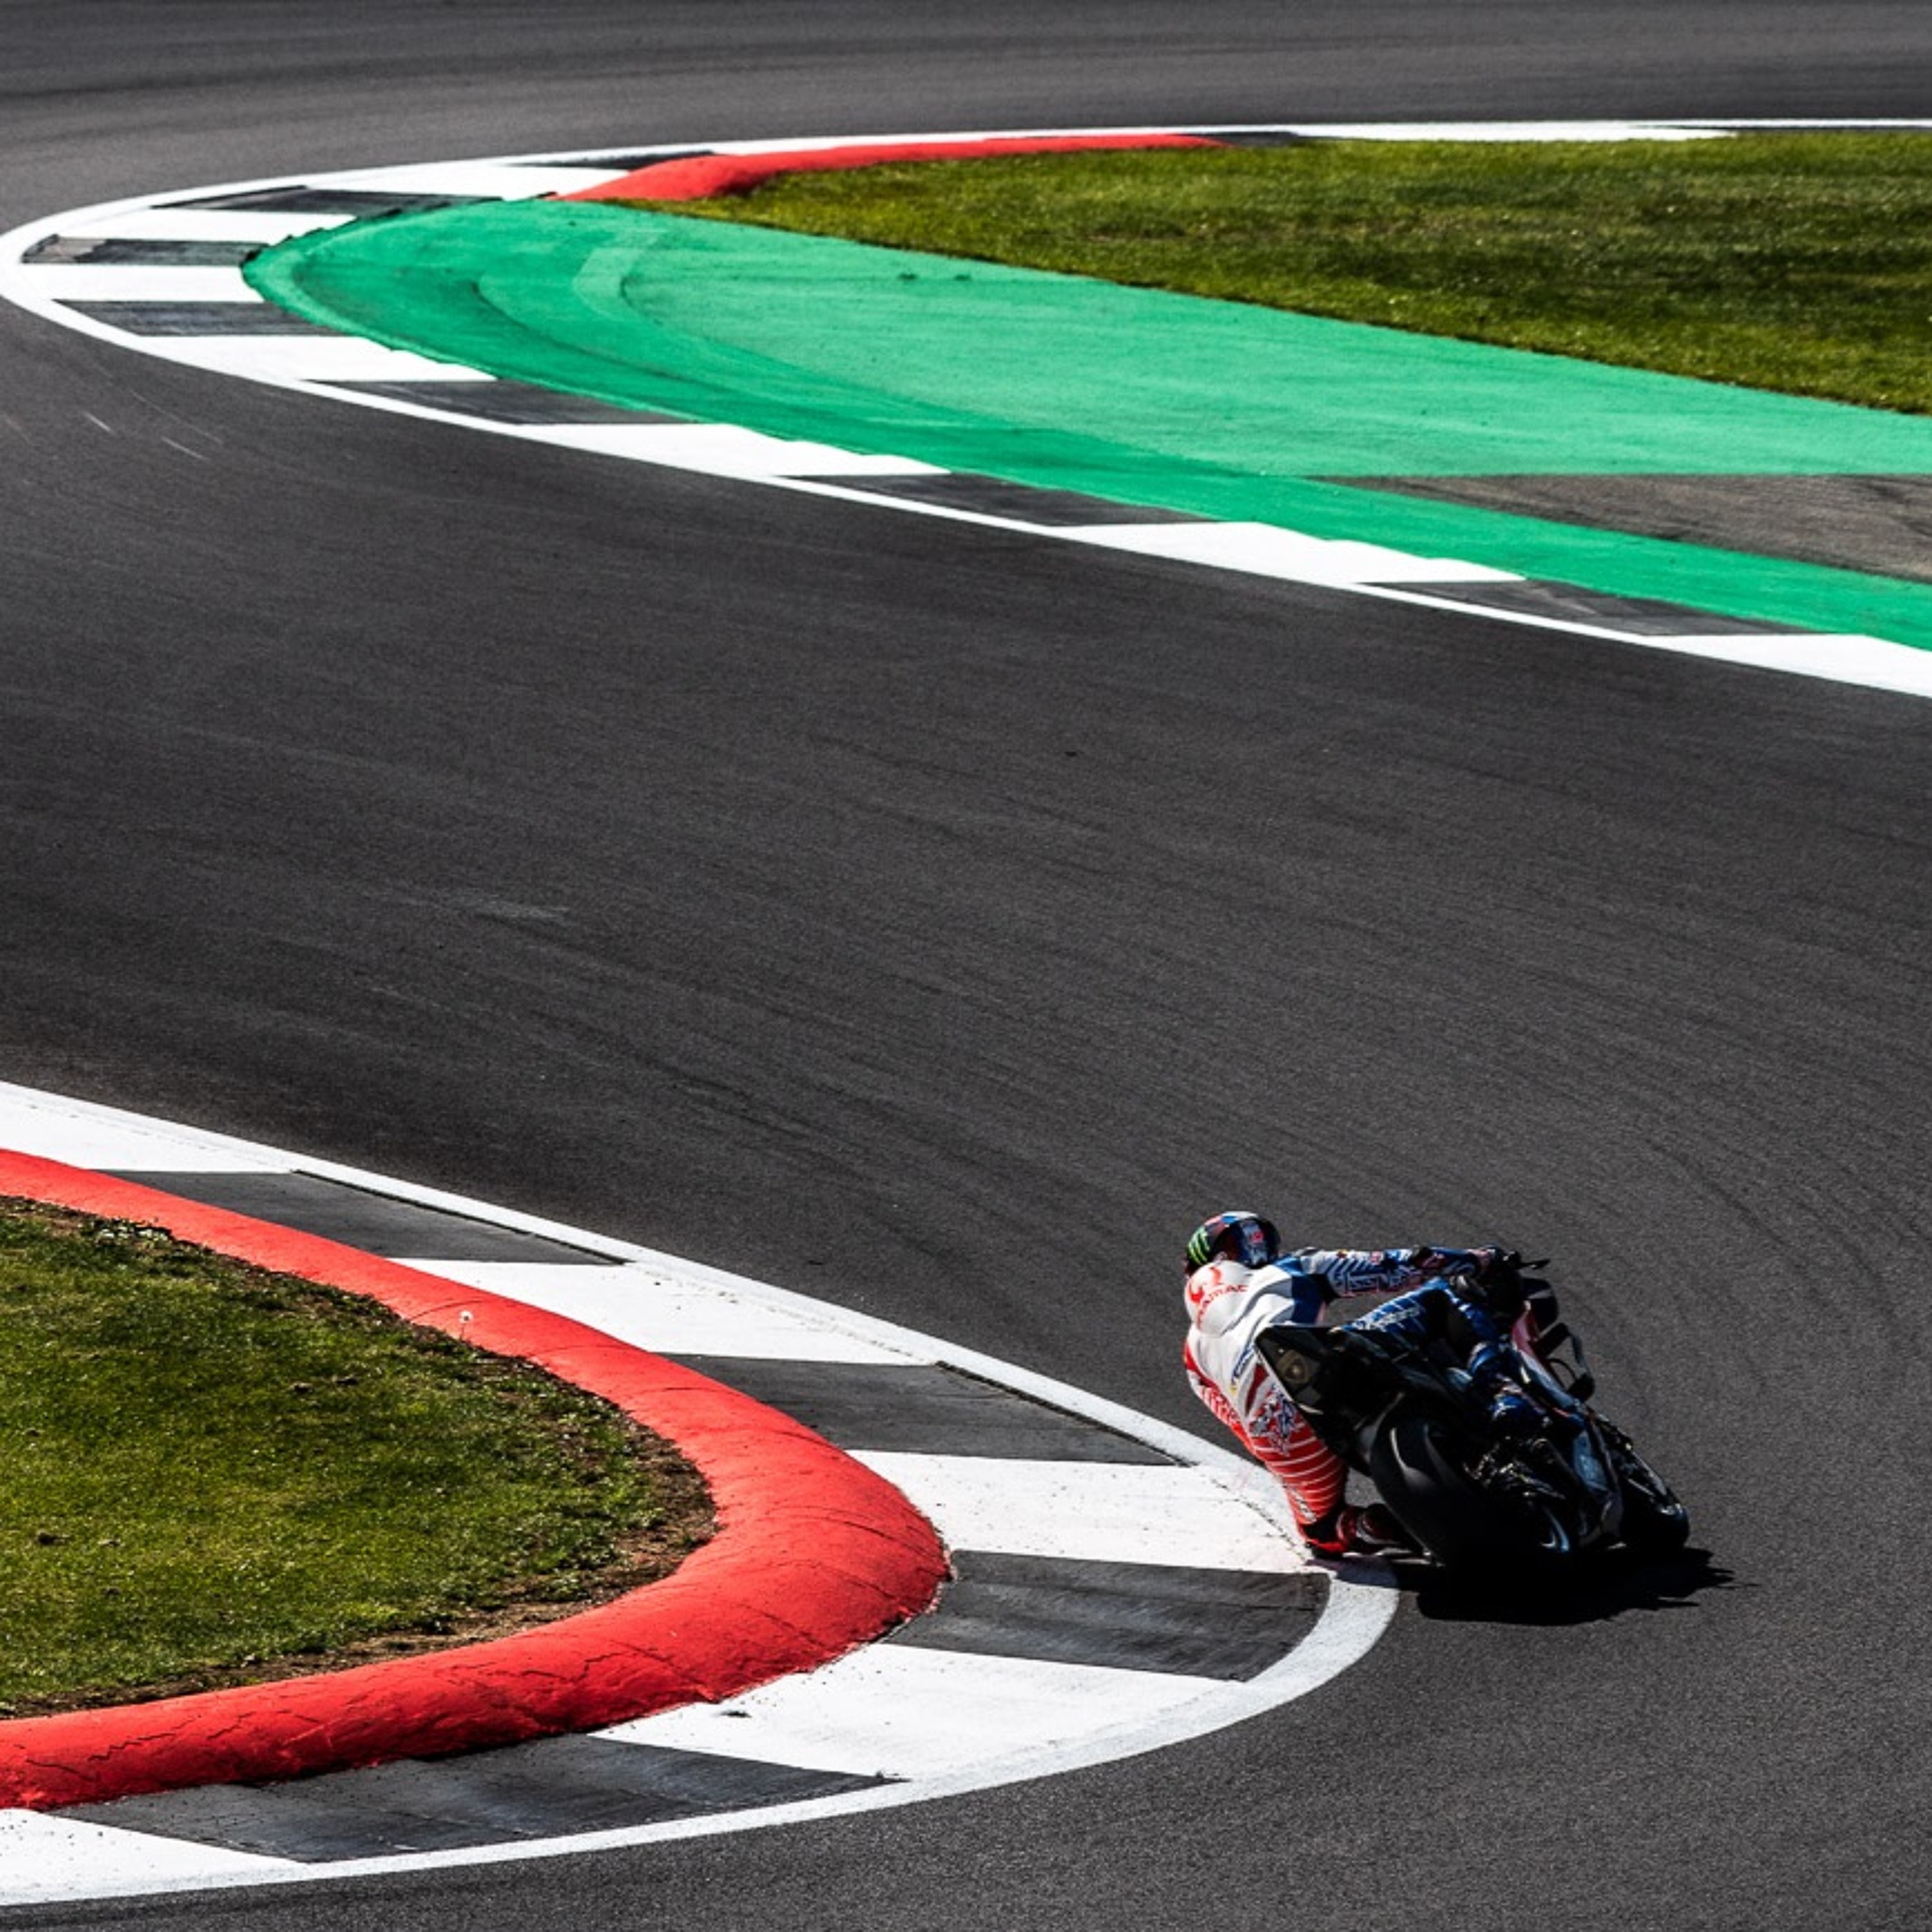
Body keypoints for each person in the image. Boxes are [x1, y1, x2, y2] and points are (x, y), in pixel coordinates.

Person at [1180, 1209, 1540, 1559]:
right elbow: (1395, 1266)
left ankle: (1368, 1528)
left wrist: (1283, 1459)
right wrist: (1478, 1260)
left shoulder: (1192, 1358)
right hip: (1333, 1362)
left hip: (1276, 1430)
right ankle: (1503, 1393)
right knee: (1445, 1293)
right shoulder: (1291, 1267)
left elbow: (1240, 1427)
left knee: (1320, 1532)